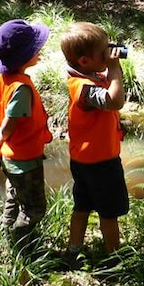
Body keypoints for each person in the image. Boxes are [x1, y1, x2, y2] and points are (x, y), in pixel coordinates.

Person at [60, 22, 128, 269]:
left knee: (83, 205)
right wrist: (115, 66)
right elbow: (114, 100)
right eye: (103, 52)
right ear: (85, 61)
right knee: (108, 212)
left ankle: (74, 249)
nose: (109, 54)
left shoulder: (83, 77)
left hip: (84, 159)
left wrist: (107, 64)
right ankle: (114, 258)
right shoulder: (84, 89)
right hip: (100, 162)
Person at [0, 19, 52, 248]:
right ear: (25, 56)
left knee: (13, 195)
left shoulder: (3, 80)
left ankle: (5, 233)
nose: (40, 50)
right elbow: (8, 124)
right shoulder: (21, 89)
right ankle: (19, 244)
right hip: (24, 161)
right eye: (36, 48)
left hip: (8, 157)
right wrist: (2, 138)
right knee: (35, 209)